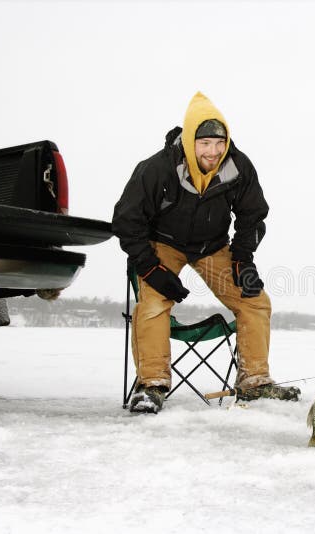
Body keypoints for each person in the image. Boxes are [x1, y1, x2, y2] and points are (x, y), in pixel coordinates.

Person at [112, 91, 300, 413]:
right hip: (164, 243)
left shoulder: (238, 167)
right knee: (155, 303)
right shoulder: (156, 169)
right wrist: (151, 268)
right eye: (204, 143)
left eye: (219, 143)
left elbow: (252, 216)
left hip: (212, 247)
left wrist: (243, 260)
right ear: (189, 141)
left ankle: (254, 382)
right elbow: (127, 223)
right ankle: (151, 385)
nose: (213, 151)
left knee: (255, 301)